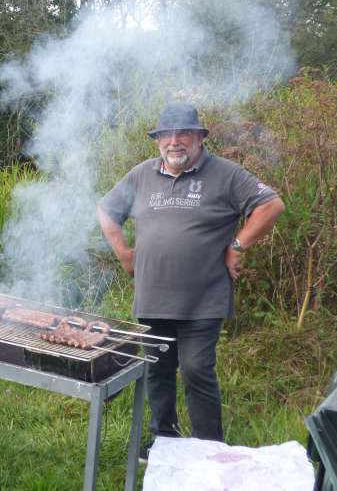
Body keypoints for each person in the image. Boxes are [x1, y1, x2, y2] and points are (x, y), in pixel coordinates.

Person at [97, 102, 285, 459]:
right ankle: (164, 440)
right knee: (158, 370)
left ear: (199, 138)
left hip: (203, 297)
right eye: (166, 135)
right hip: (152, 296)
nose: (174, 141)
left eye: (183, 133)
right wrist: (123, 253)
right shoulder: (141, 175)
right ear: (157, 140)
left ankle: (208, 447)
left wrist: (237, 246)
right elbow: (106, 210)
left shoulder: (226, 174)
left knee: (197, 369)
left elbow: (271, 205)